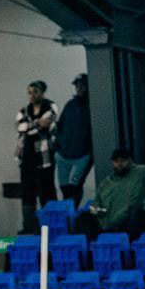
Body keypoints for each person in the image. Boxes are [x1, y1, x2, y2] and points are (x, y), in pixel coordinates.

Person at [74, 148, 145, 240]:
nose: (119, 164)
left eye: (123, 161)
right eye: (116, 161)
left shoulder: (143, 171)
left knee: (136, 213)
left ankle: (130, 245)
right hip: (108, 221)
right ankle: (87, 246)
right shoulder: (106, 182)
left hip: (133, 218)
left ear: (130, 160)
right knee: (83, 217)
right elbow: (96, 203)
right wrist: (97, 210)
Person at [16, 80, 58, 233]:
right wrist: (37, 123)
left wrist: (30, 126)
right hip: (26, 155)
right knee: (27, 191)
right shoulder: (24, 110)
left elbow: (47, 124)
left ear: (42, 93)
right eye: (29, 93)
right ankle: (29, 226)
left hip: (44, 155)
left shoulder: (50, 106)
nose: (32, 96)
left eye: (35, 92)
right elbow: (20, 127)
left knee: (46, 189)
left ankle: (50, 225)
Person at [54, 74, 94, 203]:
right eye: (77, 86)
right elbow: (60, 126)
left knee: (75, 186)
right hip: (63, 155)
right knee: (64, 187)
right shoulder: (70, 105)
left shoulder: (94, 106)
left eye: (83, 85)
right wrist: (58, 145)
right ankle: (68, 212)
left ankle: (72, 212)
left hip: (82, 156)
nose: (79, 89)